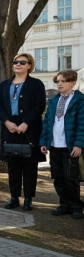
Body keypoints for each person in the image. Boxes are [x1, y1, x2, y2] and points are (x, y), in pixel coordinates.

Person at [0, 54, 46, 211]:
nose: (18, 64)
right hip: (10, 130)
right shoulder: (4, 85)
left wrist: (26, 123)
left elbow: (39, 105)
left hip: (29, 130)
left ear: (29, 65)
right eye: (16, 62)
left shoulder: (36, 84)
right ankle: (14, 197)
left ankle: (28, 198)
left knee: (29, 165)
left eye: (22, 62)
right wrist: (7, 122)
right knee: (13, 165)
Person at [40, 69, 84, 220]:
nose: (59, 84)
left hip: (70, 146)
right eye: (58, 81)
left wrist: (78, 144)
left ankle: (76, 206)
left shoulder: (80, 100)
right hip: (55, 146)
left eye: (63, 81)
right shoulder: (53, 100)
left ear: (73, 82)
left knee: (71, 178)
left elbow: (81, 124)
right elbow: (47, 123)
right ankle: (64, 204)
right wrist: (44, 142)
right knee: (58, 177)